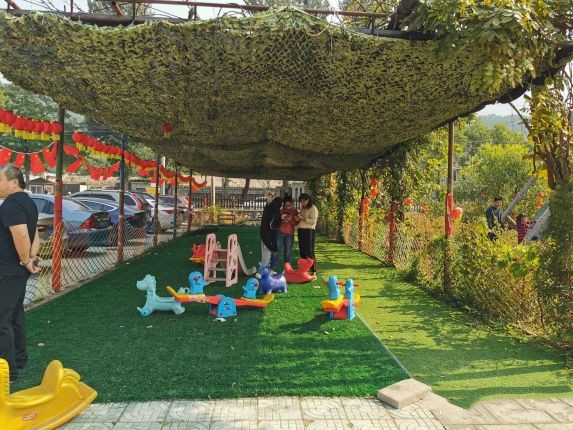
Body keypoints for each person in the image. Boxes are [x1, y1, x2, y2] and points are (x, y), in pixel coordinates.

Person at [0, 164, 40, 383]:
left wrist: (26, 260)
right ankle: (19, 360)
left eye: (0, 180)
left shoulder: (11, 203)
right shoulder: (28, 202)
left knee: (1, 320)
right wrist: (31, 257)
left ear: (14, 182)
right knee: (15, 314)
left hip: (8, 270)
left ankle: (8, 372)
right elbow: (35, 234)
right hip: (16, 270)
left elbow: (22, 235)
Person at [269, 195, 299, 271]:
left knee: (288, 253)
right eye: (286, 205)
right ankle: (271, 269)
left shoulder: (294, 211)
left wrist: (291, 220)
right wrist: (282, 219)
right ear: (283, 204)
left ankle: (288, 270)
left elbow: (296, 223)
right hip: (280, 233)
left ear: (292, 203)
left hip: (290, 234)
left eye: (289, 205)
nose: (287, 207)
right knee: (276, 252)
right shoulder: (280, 210)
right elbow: (275, 222)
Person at [297, 193, 319, 273]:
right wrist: (297, 218)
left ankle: (313, 270)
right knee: (302, 250)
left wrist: (303, 219)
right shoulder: (303, 208)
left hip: (309, 231)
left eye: (303, 201)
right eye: (301, 202)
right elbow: (300, 219)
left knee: (309, 251)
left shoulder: (313, 208)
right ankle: (304, 269)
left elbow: (313, 221)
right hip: (301, 230)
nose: (302, 203)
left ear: (308, 200)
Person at [259, 196, 282, 269]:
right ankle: (263, 270)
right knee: (267, 253)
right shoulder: (275, 210)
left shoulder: (268, 207)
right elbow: (272, 225)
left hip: (263, 232)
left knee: (264, 252)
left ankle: (263, 269)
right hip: (268, 234)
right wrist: (281, 218)